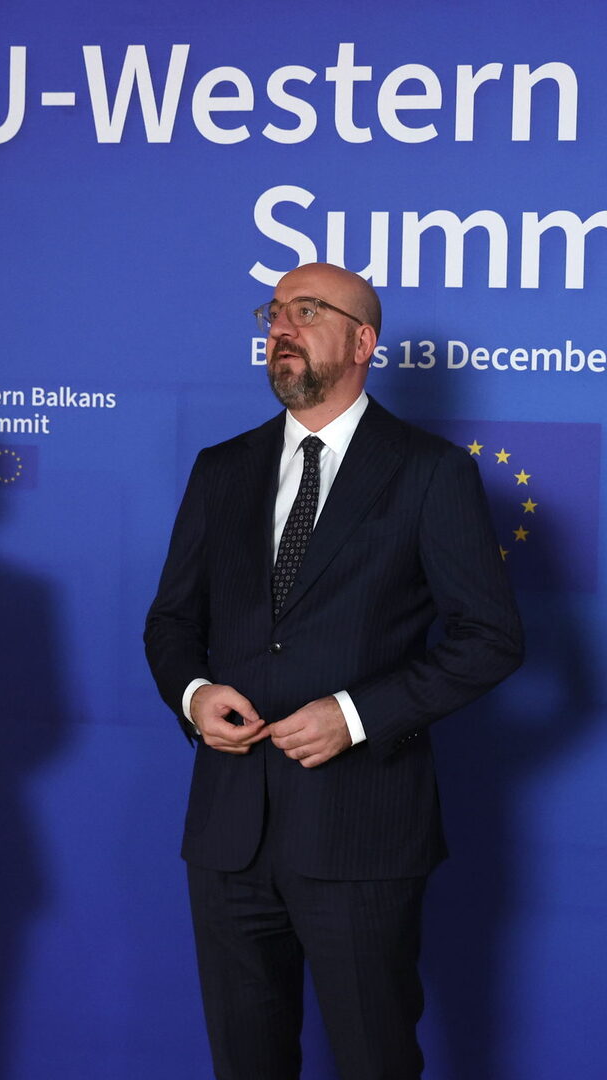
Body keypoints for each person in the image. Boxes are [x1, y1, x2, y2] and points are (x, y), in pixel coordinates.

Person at [145, 262, 523, 1079]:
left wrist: (355, 716)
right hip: (229, 834)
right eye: (274, 312)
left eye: (307, 311)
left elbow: (491, 639)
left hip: (363, 832)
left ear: (362, 342)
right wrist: (194, 695)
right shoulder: (222, 468)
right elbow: (171, 621)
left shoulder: (430, 471)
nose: (281, 327)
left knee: (373, 1060)